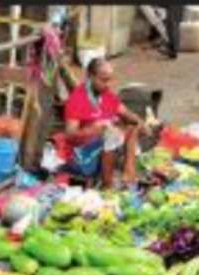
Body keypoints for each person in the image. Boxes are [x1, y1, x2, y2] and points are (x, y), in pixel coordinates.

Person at [63, 58, 150, 188]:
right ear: (90, 77)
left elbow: (126, 113)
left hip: (104, 146)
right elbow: (70, 135)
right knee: (112, 135)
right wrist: (92, 130)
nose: (108, 84)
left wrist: (141, 122)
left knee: (133, 126)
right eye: (104, 80)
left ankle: (128, 171)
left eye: (110, 79)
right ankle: (107, 185)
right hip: (83, 153)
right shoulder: (77, 99)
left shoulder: (106, 94)